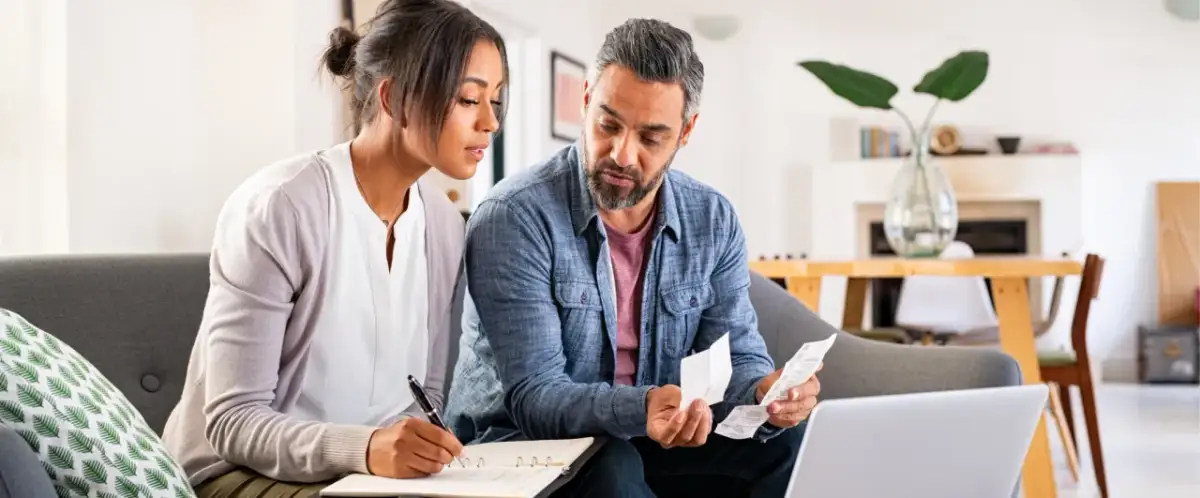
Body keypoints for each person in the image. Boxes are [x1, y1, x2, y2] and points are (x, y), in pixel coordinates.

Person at [445, 17, 818, 498]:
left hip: (648, 436)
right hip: (519, 445)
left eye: (651, 138)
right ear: (586, 101)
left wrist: (765, 395)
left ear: (685, 132)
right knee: (613, 464)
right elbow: (535, 397)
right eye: (608, 125)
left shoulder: (712, 219)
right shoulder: (514, 216)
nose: (622, 155)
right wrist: (644, 407)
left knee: (786, 444)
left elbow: (736, 356)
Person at [160, 1, 508, 496]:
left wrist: (419, 449)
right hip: (235, 474)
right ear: (394, 98)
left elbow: (423, 396)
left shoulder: (444, 226)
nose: (490, 122)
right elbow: (234, 421)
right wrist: (365, 449)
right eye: (469, 99)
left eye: (496, 100)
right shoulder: (281, 207)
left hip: (365, 480)